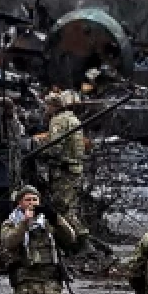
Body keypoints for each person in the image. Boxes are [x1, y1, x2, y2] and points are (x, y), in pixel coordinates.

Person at [38, 91, 90, 252]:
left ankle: (80, 243)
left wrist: (41, 152)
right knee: (69, 207)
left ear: (53, 106)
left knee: (62, 209)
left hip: (64, 170)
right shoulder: (72, 118)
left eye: (47, 106)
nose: (45, 109)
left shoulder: (58, 121)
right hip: (75, 168)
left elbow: (55, 148)